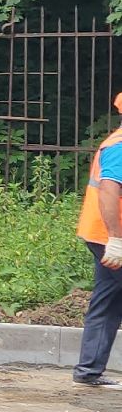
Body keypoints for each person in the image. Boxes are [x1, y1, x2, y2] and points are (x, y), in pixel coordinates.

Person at [72, 92, 122, 389]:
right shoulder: (119, 146)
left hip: (103, 234)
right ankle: (88, 370)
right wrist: (116, 239)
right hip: (110, 236)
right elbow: (109, 189)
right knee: (109, 299)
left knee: (109, 300)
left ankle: (88, 370)